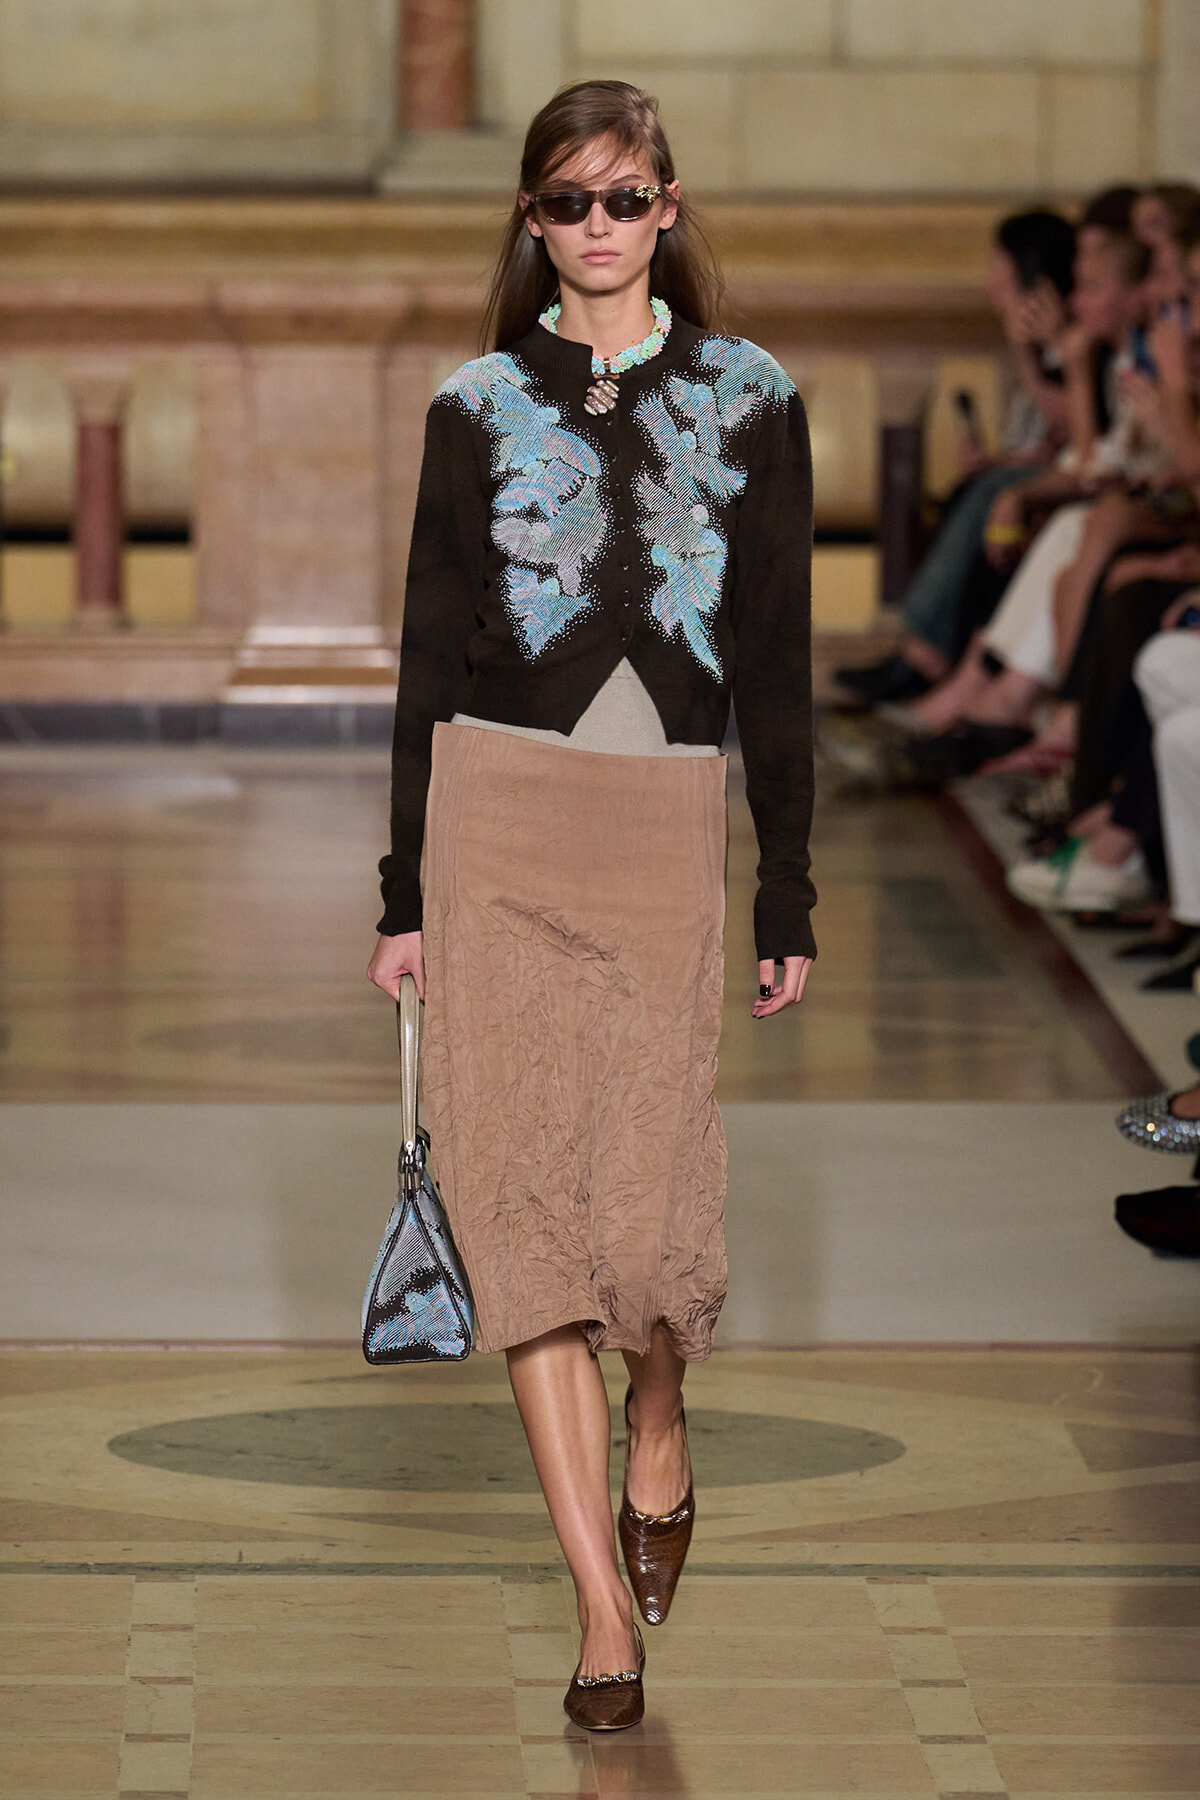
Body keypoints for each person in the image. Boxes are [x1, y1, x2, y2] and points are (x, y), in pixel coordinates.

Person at [366, 80, 816, 1732]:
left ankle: (662, 1408)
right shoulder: (476, 403)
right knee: (519, 1217)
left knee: (643, 1220)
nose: (599, 229)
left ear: (671, 211)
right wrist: (404, 887)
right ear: (533, 224)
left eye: (625, 200)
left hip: (660, 832)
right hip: (495, 817)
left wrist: (792, 887)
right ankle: (596, 1605)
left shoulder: (753, 396)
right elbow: (426, 655)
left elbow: (774, 659)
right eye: (567, 204)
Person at [835, 208, 1076, 705]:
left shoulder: (1068, 344)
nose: (990, 277)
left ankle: (926, 655)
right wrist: (1001, 460)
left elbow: (1079, 438)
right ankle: (924, 651)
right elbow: (1050, 447)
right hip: (1054, 475)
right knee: (974, 488)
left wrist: (1033, 356)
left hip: (1076, 489)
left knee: (989, 494)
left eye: (998, 265)